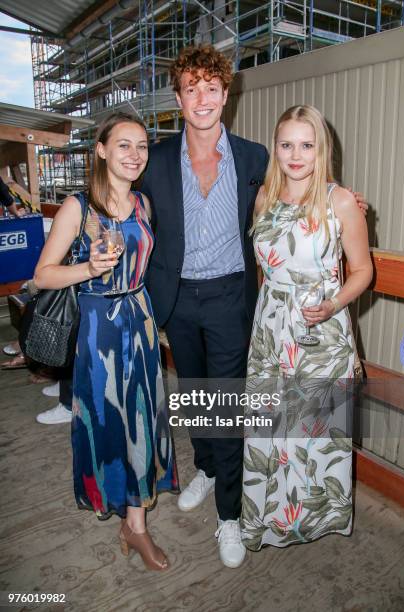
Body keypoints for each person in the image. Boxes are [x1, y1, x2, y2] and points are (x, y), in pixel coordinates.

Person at [141, 45, 368, 568]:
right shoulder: (154, 160)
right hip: (177, 299)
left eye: (212, 88)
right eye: (191, 88)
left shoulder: (250, 158)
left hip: (232, 299)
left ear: (226, 95)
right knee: (194, 393)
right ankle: (207, 468)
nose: (202, 98)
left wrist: (346, 203)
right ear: (178, 98)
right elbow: (123, 201)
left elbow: (306, 190)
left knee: (227, 404)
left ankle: (229, 518)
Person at [34, 112, 178, 571]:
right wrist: (88, 270)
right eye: (123, 145)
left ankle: (135, 524)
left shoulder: (143, 205)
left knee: (142, 418)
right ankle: (126, 517)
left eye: (141, 146)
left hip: (139, 318)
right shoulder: (78, 207)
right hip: (98, 328)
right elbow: (41, 275)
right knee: (109, 420)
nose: (135, 155)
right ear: (100, 149)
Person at [240, 105, 373, 550]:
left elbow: (363, 271)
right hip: (270, 331)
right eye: (286, 145)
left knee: (313, 440)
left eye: (306, 145)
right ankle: (267, 523)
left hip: (321, 333)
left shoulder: (339, 201)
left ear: (321, 149)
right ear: (275, 149)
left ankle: (309, 522)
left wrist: (334, 302)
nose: (296, 155)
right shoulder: (263, 199)